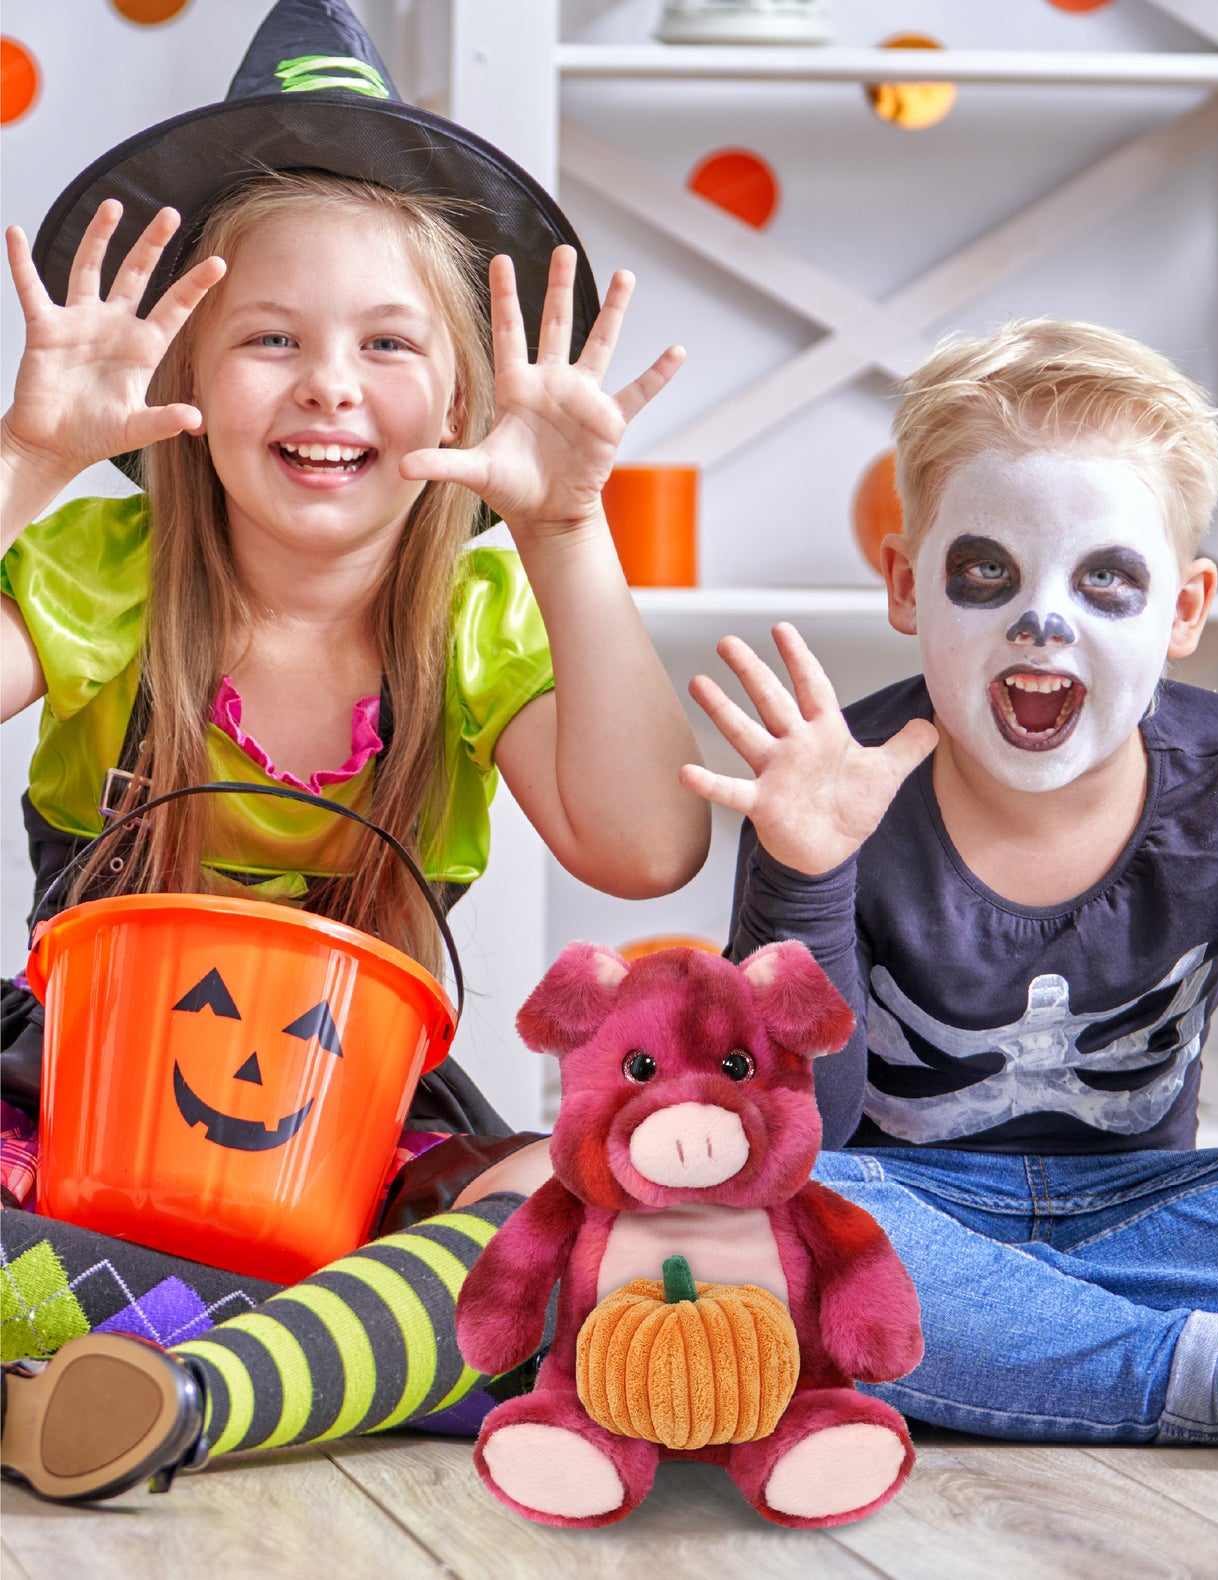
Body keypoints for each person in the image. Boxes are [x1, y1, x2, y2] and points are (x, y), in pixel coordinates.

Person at [0, 0, 707, 1501]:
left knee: (574, 1193)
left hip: (357, 1147)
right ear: (182, 373)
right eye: (272, 339)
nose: (330, 385)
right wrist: (27, 464)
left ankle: (161, 1377)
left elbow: (643, 845)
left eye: (387, 344)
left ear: (457, 394)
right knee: (535, 1310)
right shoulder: (104, 573)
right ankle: (330, 1365)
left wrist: (566, 532)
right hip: (65, 1127)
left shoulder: (473, 611)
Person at [679, 317, 1218, 1469]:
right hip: (898, 1197)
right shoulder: (834, 782)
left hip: (1149, 1209)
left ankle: (989, 1345)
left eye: (1106, 580)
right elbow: (805, 1133)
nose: (1043, 619)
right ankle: (1203, 1373)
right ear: (905, 584)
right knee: (743, 1209)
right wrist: (803, 870)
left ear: (1183, 610)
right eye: (986, 572)